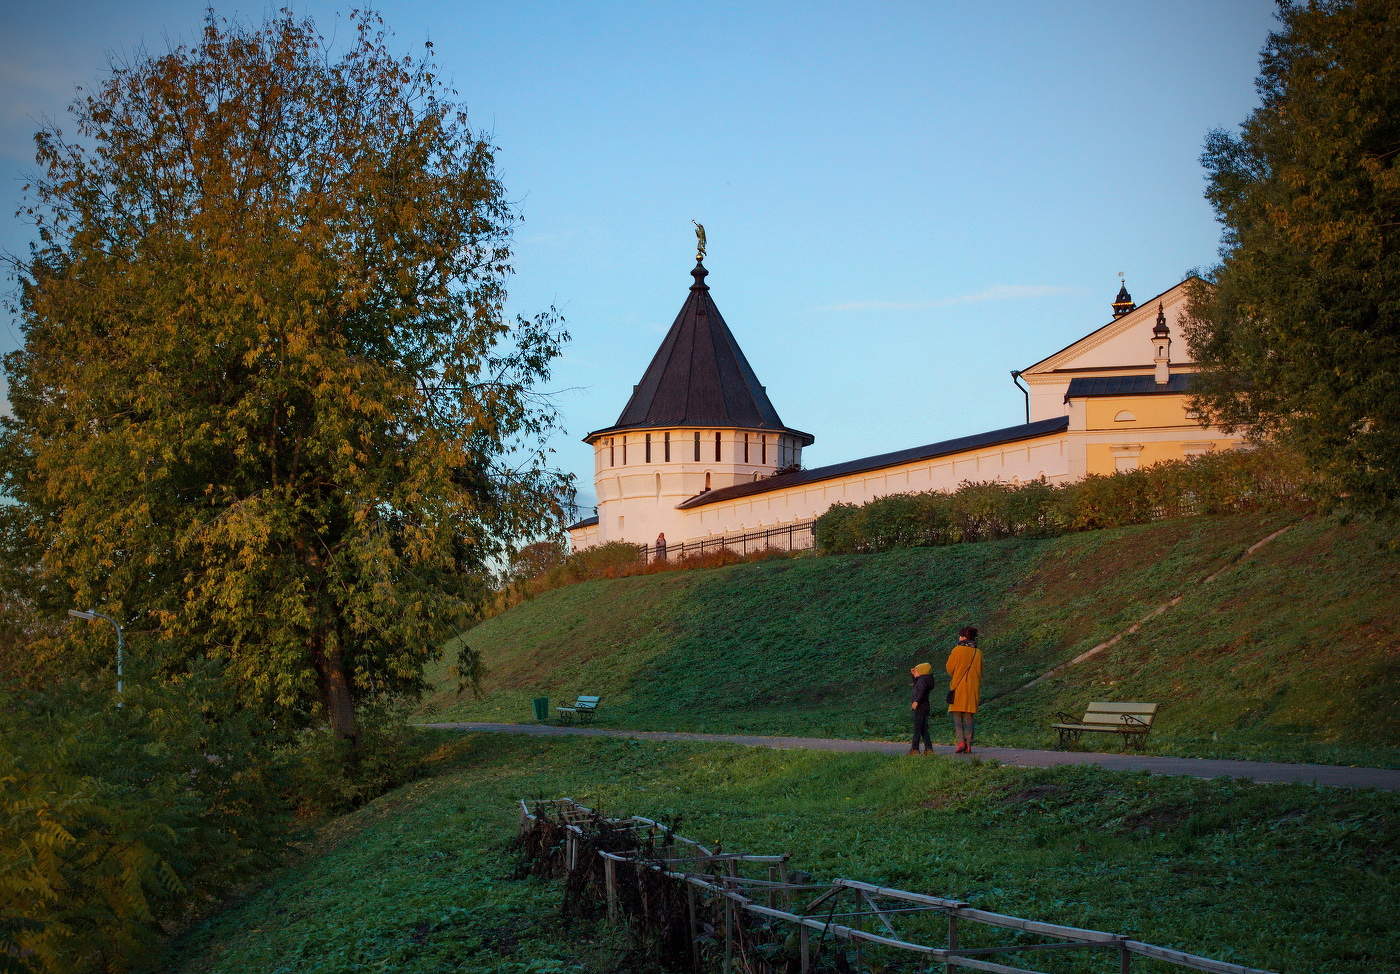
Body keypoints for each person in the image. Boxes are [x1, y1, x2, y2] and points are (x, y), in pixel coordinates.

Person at [945, 626, 982, 753]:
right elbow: (980, 671)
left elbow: (949, 669)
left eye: (960, 635)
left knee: (957, 717)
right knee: (969, 717)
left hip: (958, 688)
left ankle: (961, 742)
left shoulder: (957, 650)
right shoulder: (978, 652)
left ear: (964, 637)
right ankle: (969, 744)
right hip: (972, 689)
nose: (959, 637)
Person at [908, 662, 935, 755]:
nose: (914, 672)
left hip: (920, 707)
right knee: (923, 729)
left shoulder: (922, 681)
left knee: (917, 729)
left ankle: (915, 749)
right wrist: (913, 674)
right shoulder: (924, 679)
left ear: (922, 672)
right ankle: (929, 749)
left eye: (916, 671)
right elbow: (916, 685)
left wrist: (916, 701)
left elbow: (921, 691)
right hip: (925, 707)